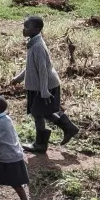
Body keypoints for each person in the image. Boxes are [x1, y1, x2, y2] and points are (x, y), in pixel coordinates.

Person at [11, 16, 76, 154]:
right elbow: (31, 67)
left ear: (36, 29)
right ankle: (68, 127)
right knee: (43, 112)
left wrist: (44, 90)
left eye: (27, 27)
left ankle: (40, 144)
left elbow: (42, 70)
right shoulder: (33, 43)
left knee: (38, 113)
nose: (24, 29)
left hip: (44, 85)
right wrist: (19, 78)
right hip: (40, 85)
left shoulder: (38, 46)